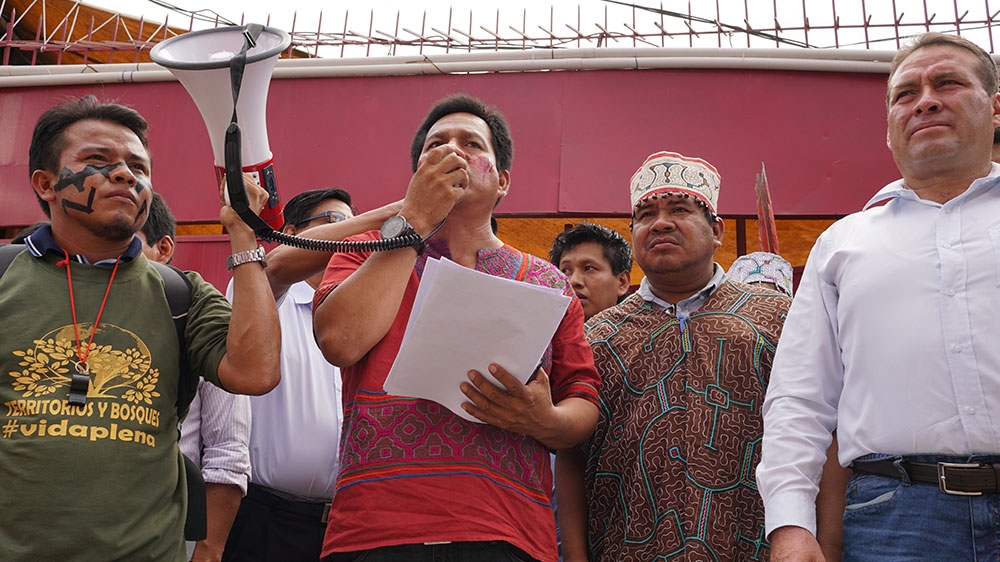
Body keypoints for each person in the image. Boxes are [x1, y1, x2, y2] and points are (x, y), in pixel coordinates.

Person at [312, 93, 601, 562]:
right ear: (417, 173)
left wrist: (544, 420)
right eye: (437, 144)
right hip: (374, 530)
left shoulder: (548, 281)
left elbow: (583, 398)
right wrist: (415, 221)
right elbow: (340, 341)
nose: (452, 150)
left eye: (471, 142)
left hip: (507, 531)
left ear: (502, 180)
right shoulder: (366, 248)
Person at [0, 95, 280, 561]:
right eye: (97, 160)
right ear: (46, 183)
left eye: (139, 167)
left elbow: (256, 373)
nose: (127, 175)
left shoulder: (183, 295)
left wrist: (243, 232)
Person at [758, 32, 1000, 561]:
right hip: (896, 520)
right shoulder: (842, 245)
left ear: (996, 108)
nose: (926, 100)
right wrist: (790, 525)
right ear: (889, 127)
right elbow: (799, 400)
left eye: (948, 83)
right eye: (905, 93)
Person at [557, 151, 791, 562]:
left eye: (680, 209)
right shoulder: (596, 336)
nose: (661, 222)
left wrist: (825, 539)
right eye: (646, 215)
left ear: (716, 230)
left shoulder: (776, 318)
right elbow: (572, 457)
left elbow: (816, 432)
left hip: (757, 548)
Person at [222, 188, 400, 562]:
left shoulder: (371, 319)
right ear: (290, 233)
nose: (350, 235)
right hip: (266, 520)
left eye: (353, 223)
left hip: (350, 528)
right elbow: (274, 267)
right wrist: (405, 212)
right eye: (336, 222)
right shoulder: (266, 297)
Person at [136, 192, 253, 562]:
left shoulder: (194, 317)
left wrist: (208, 549)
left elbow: (228, 451)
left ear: (164, 248)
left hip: (168, 534)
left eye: (127, 245)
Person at [548, 222, 632, 320]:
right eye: (565, 270)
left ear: (622, 282)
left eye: (589, 268)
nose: (573, 281)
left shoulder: (643, 333)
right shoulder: (539, 332)